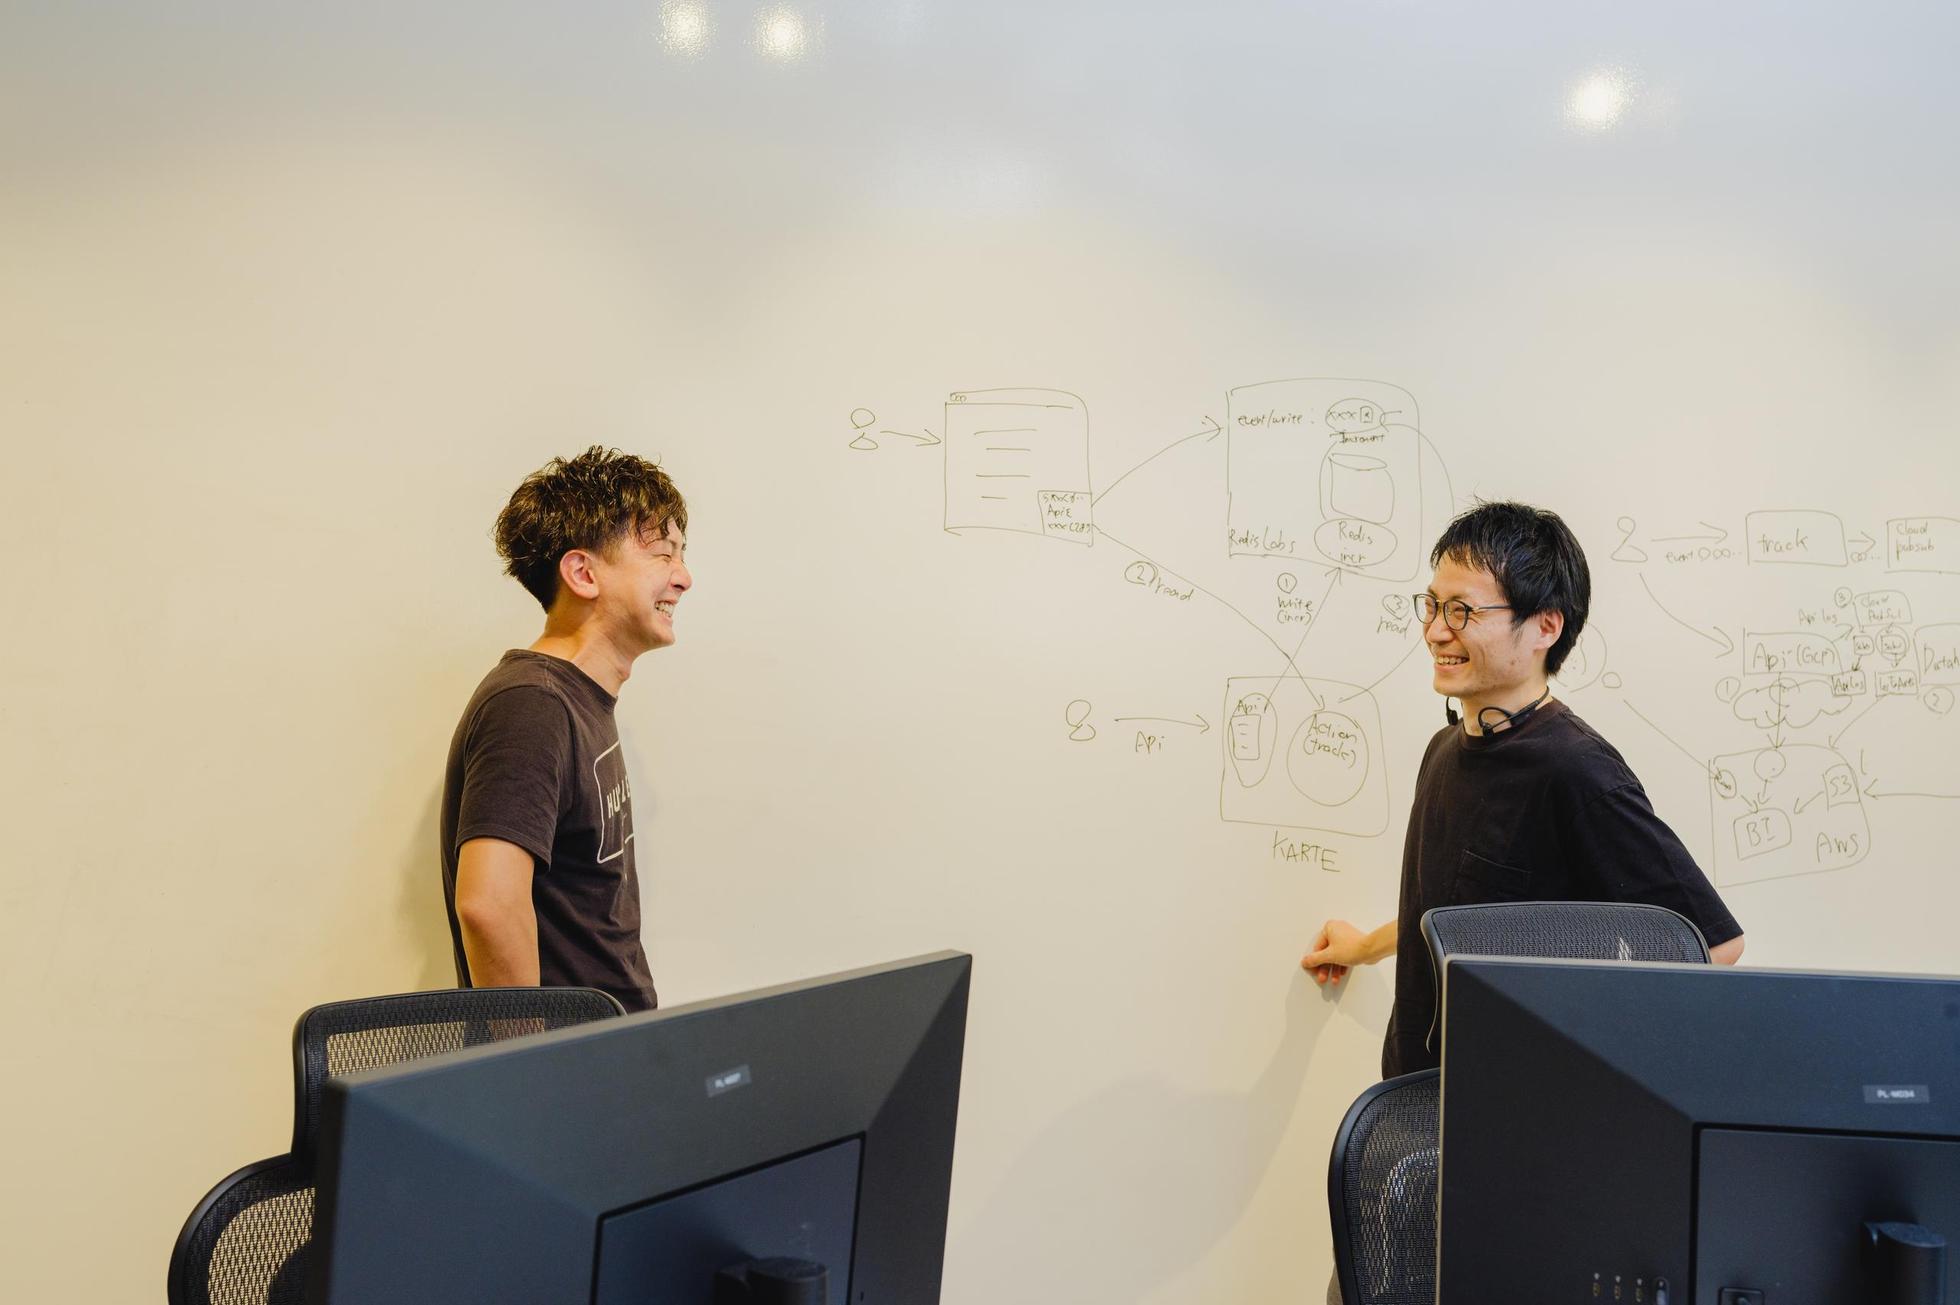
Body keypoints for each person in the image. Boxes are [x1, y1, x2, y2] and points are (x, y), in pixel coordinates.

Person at [1301, 501, 1743, 1077]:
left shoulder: (1577, 769)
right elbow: (1461, 910)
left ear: (1545, 627)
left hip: (1509, 1108)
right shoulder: (1445, 748)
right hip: (1418, 1089)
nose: (1436, 630)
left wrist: (1563, 1053)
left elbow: (1713, 946)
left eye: (1462, 611)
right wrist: (1366, 947)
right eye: (1433, 605)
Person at [438, 446, 691, 1013]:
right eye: (663, 554)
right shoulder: (532, 704)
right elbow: (487, 904)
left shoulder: (577, 701)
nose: (684, 578)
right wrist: (532, 1054)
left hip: (612, 1047)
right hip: (572, 1058)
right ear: (582, 573)